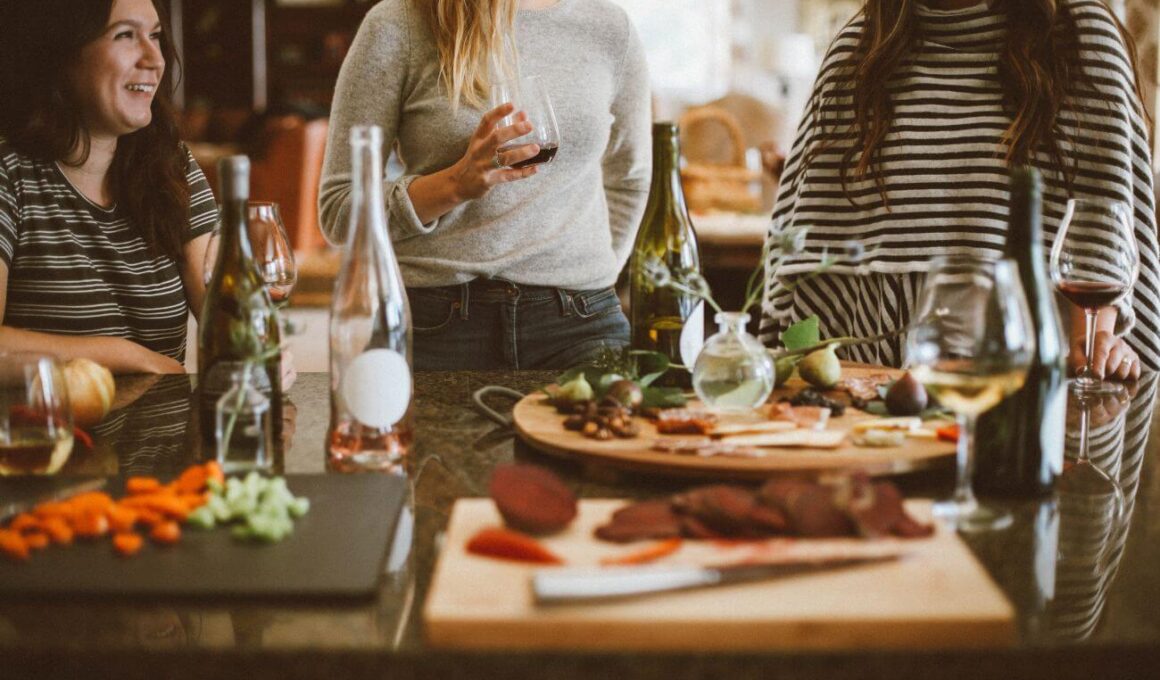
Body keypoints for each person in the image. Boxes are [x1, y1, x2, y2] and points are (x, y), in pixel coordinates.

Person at [761, 0, 1159, 382]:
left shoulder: (1081, 35)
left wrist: (1093, 344)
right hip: (872, 369)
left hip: (1026, 372)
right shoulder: (858, 50)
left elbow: (1101, 221)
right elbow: (805, 251)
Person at [319, 0, 651, 370]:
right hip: (436, 325)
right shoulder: (400, 23)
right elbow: (339, 209)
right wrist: (455, 185)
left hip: (582, 325)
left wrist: (595, 274)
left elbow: (631, 180)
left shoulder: (610, 27)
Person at [0, 0, 217, 374]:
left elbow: (226, 312)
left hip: (159, 433)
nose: (155, 59)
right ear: (62, 54)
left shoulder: (172, 163)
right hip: (47, 432)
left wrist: (256, 348)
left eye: (155, 36)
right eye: (126, 35)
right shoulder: (10, 171)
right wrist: (130, 357)